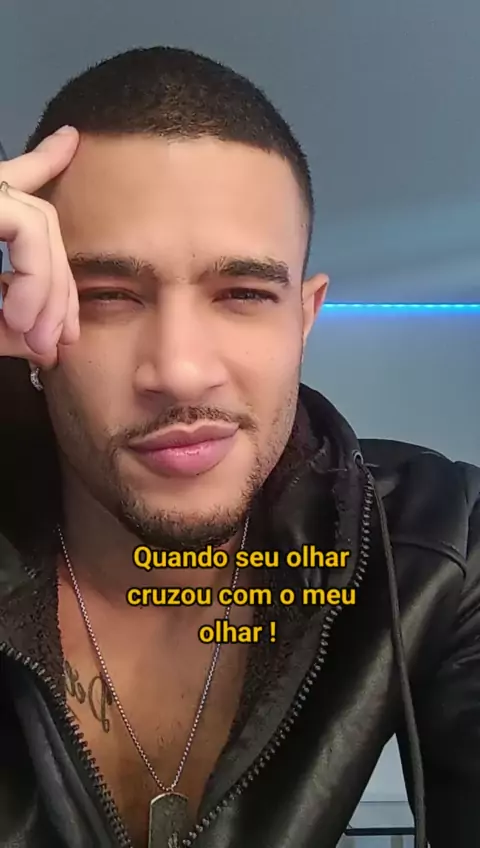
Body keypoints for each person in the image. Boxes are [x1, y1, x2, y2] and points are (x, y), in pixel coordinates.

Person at [0, 45, 478, 848]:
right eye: (109, 296)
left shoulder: (437, 546)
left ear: (304, 319)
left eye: (244, 293)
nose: (181, 371)